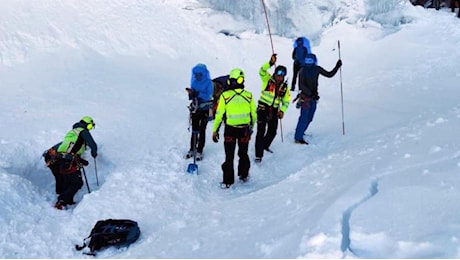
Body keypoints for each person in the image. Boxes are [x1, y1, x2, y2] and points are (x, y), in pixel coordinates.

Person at [212, 68, 257, 188]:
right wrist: (251, 126)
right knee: (243, 153)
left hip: (230, 130)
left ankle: (228, 181)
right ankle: (244, 175)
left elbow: (219, 115)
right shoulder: (248, 96)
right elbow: (254, 114)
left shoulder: (225, 96)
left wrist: (215, 130)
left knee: (229, 156)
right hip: (244, 129)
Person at [50, 116, 98, 210]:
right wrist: (94, 152)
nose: (91, 129)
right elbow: (93, 144)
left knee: (68, 180)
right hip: (70, 159)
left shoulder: (72, 132)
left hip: (61, 159)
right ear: (86, 124)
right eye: (90, 126)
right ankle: (62, 201)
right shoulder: (83, 131)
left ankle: (67, 200)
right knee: (77, 182)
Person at [293, 54, 342, 144]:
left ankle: (301, 132)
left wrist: (337, 66)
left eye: (310, 61)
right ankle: (298, 138)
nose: (308, 63)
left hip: (313, 98)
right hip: (306, 98)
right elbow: (301, 86)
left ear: (314, 61)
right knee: (304, 118)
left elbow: (329, 74)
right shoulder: (302, 71)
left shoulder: (317, 69)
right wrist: (311, 94)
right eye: (307, 61)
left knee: (310, 118)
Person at [254, 54, 291, 163]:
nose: (280, 76)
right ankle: (258, 155)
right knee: (260, 131)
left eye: (282, 74)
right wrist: (270, 63)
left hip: (274, 110)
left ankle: (265, 145)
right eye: (278, 73)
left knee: (272, 131)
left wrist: (282, 110)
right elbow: (261, 71)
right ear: (275, 73)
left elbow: (286, 101)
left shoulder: (284, 87)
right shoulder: (267, 79)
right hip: (263, 107)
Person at [185, 64, 213, 161]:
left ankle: (200, 150)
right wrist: (191, 94)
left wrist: (198, 94)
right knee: (194, 129)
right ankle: (192, 148)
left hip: (204, 109)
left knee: (202, 130)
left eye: (199, 74)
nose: (197, 76)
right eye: (195, 74)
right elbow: (193, 96)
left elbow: (209, 96)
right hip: (195, 108)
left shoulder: (209, 83)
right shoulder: (195, 82)